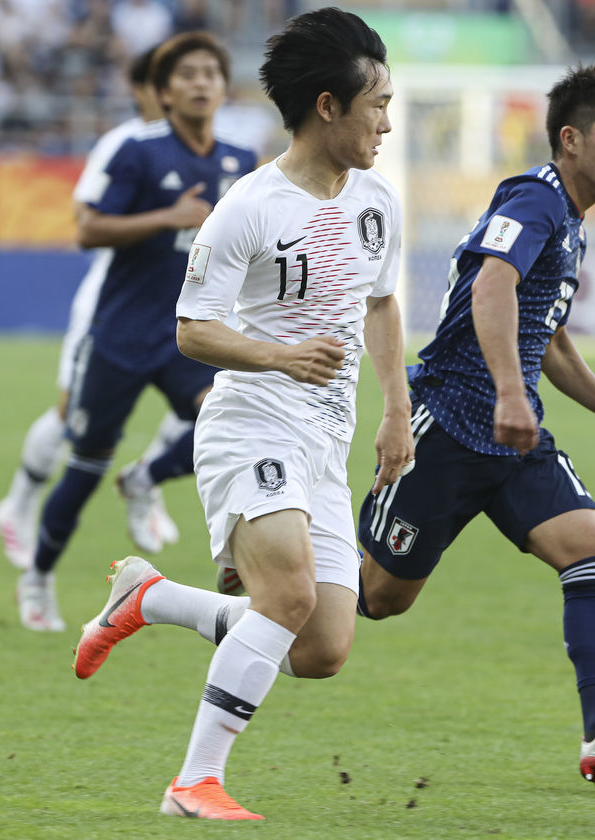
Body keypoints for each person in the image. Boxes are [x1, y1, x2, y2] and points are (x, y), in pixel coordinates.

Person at [70, 8, 412, 820]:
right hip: (251, 423)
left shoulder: (376, 204)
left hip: (326, 442)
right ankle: (194, 782)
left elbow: (384, 303)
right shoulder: (249, 207)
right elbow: (192, 330)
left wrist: (397, 410)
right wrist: (279, 356)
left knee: (322, 647)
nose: (388, 123)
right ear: (328, 106)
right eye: (378, 105)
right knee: (287, 597)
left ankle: (148, 597)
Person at [355, 64, 595, 789]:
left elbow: (548, 340)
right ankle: (186, 600)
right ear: (570, 138)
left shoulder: (570, 222)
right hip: (452, 428)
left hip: (511, 437)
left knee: (593, 555)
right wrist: (507, 393)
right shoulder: (535, 198)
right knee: (372, 601)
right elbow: (493, 284)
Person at [15, 31, 258, 631]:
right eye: (187, 74)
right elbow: (88, 229)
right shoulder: (138, 152)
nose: (201, 82)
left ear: (225, 88)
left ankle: (147, 476)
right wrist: (167, 219)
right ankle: (39, 574)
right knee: (87, 461)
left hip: (190, 334)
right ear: (164, 91)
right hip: (122, 334)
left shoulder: (241, 161)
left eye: (211, 72)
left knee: (225, 416)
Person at [0, 46, 187, 572]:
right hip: (116, 303)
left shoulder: (209, 149)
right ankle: (18, 505)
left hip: (180, 301)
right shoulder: (122, 144)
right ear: (146, 90)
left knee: (210, 398)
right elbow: (85, 218)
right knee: (70, 413)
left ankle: (147, 479)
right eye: (165, 82)